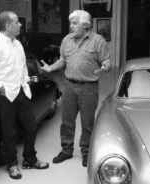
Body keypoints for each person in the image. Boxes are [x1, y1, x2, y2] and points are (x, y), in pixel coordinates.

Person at [0, 11, 49, 180]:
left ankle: (30, 159)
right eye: (17, 22)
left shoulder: (17, 44)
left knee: (31, 127)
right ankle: (12, 164)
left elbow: (22, 65)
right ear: (8, 25)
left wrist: (25, 80)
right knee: (9, 132)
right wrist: (0, 88)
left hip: (21, 92)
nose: (20, 25)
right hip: (5, 96)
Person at [41, 10, 111, 167]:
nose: (71, 26)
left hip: (89, 87)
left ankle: (86, 152)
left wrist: (105, 67)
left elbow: (106, 61)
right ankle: (66, 150)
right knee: (67, 121)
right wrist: (51, 68)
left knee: (87, 123)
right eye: (70, 23)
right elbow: (62, 60)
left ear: (85, 25)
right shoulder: (67, 40)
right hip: (69, 86)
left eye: (74, 23)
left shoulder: (98, 40)